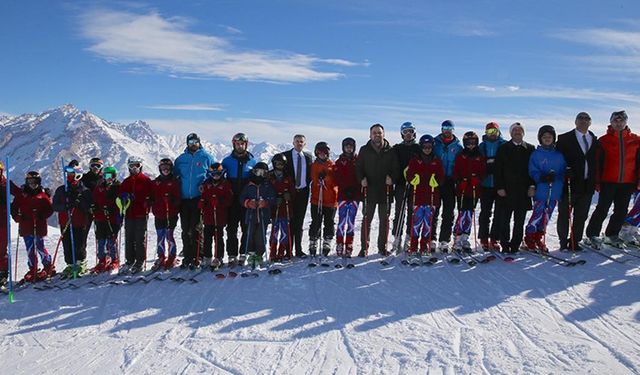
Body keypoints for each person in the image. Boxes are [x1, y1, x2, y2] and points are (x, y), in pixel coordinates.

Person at [585, 110, 640, 248]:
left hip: (628, 181)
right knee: (602, 208)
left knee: (621, 210)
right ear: (611, 122)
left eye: (621, 120)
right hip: (608, 180)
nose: (618, 122)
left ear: (626, 121)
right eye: (615, 120)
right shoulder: (603, 141)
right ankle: (593, 234)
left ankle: (612, 234)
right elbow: (597, 163)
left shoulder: (636, 140)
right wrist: (597, 181)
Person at [555, 112, 600, 251]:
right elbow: (557, 159)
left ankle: (575, 241)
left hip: (587, 185)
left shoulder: (594, 140)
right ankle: (563, 242)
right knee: (564, 215)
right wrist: (564, 170)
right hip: (569, 184)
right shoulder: (564, 139)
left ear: (590, 122)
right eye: (580, 118)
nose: (583, 121)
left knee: (581, 216)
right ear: (575, 121)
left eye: (587, 119)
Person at [356, 124, 400, 256]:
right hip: (369, 190)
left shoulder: (390, 150)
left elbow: (396, 169)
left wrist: (392, 178)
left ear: (384, 134)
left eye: (379, 133)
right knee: (366, 220)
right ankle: (364, 248)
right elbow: (358, 168)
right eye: (374, 133)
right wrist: (361, 179)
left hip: (385, 190)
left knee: (384, 221)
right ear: (370, 135)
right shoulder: (364, 150)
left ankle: (382, 247)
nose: (377, 135)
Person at [493, 122, 536, 253]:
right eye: (515, 130)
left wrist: (532, 186)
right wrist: (499, 187)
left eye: (520, 130)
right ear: (511, 133)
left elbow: (533, 170)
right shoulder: (503, 148)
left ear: (523, 132)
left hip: (523, 191)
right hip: (506, 190)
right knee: (504, 221)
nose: (517, 132)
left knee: (519, 221)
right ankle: (505, 245)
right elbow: (497, 170)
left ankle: (515, 245)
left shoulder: (530, 148)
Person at [174, 133, 215, 266]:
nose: (193, 144)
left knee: (197, 228)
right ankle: (188, 256)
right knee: (185, 229)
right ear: (187, 143)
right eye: (190, 141)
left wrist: (206, 186)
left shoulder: (206, 157)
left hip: (199, 198)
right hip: (184, 198)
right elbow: (175, 176)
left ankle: (198, 255)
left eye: (195, 141)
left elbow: (214, 175)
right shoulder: (181, 159)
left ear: (199, 142)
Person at [523, 126, 566, 252]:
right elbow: (532, 170)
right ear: (540, 139)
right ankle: (530, 237)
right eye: (544, 137)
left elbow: (563, 170)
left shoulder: (559, 155)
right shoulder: (536, 154)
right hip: (542, 190)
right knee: (537, 214)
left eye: (550, 137)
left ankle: (538, 237)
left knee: (546, 216)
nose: (547, 139)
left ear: (553, 139)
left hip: (555, 190)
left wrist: (566, 174)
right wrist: (542, 177)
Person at [405, 134, 445, 257]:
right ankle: (413, 245)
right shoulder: (415, 160)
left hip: (431, 196)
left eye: (429, 146)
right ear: (421, 147)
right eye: (424, 146)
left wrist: (437, 181)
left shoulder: (436, 160)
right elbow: (409, 174)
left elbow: (441, 176)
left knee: (428, 223)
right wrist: (413, 179)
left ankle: (424, 245)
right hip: (418, 196)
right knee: (416, 222)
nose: (427, 149)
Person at [10, 171, 54, 281]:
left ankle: (48, 265)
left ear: (38, 182)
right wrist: (17, 217)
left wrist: (41, 215)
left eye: (35, 181)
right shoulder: (22, 194)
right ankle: (33, 268)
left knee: (40, 246)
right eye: (30, 181)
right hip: (26, 226)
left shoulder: (43, 195)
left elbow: (49, 209)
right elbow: (14, 208)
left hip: (39, 226)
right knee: (30, 248)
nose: (32, 184)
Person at [222, 132, 257, 266]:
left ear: (246, 145)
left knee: (246, 227)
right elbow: (218, 178)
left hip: (246, 200)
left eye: (242, 144)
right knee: (231, 228)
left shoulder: (252, 161)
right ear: (234, 144)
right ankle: (232, 255)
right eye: (237, 144)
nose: (240, 146)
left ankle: (243, 253)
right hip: (231, 200)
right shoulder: (227, 161)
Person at [52, 164, 92, 277]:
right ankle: (70, 264)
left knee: (79, 244)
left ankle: (81, 263)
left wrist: (80, 204)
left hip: (79, 222)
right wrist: (66, 206)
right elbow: (54, 206)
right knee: (67, 244)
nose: (69, 177)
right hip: (65, 221)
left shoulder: (84, 190)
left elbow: (89, 207)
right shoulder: (62, 189)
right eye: (68, 174)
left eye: (72, 174)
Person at [452, 131, 486, 252]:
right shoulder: (461, 155)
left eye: (473, 143)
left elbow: (483, 171)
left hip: (474, 189)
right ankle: (457, 236)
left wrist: (478, 179)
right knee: (462, 212)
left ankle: (465, 236)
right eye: (468, 143)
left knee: (470, 213)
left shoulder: (479, 156)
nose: (470, 145)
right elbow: (455, 170)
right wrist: (460, 180)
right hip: (463, 188)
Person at [118, 157, 153, 274]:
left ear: (140, 166)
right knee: (129, 238)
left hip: (141, 213)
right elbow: (120, 197)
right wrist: (123, 198)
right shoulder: (126, 182)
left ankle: (140, 261)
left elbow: (150, 197)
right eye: (132, 166)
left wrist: (143, 201)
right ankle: (129, 260)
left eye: (136, 165)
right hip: (129, 213)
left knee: (139, 238)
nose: (134, 168)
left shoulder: (146, 180)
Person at [433, 120, 463, 252]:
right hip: (435, 181)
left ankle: (444, 240)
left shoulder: (458, 146)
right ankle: (431, 239)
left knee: (448, 211)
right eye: (444, 127)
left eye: (449, 128)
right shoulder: (434, 143)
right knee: (434, 210)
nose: (447, 130)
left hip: (450, 181)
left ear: (453, 130)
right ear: (441, 129)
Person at [281, 134, 313, 258]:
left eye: (301, 142)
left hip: (303, 193)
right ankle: (288, 250)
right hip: (289, 193)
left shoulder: (308, 157)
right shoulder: (286, 156)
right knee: (289, 221)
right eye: (297, 141)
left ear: (304, 144)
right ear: (293, 143)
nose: (299, 144)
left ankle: (298, 249)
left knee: (299, 222)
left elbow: (310, 175)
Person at [391, 122, 421, 251]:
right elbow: (392, 164)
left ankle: (409, 238)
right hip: (401, 184)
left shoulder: (418, 148)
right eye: (405, 132)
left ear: (414, 133)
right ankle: (397, 238)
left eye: (410, 131)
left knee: (412, 212)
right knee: (399, 212)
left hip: (415, 184)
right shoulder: (397, 148)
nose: (408, 134)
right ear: (402, 134)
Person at [478, 122, 506, 251]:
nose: (492, 134)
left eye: (494, 131)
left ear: (498, 132)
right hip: (485, 184)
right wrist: (484, 169)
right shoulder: (482, 146)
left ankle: (495, 238)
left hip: (499, 184)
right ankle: (483, 238)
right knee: (485, 212)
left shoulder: (504, 145)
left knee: (499, 213)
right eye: (489, 132)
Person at [199, 163, 233, 269]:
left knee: (218, 237)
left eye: (218, 174)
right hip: (208, 215)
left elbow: (229, 199)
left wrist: (219, 201)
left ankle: (219, 257)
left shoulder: (226, 184)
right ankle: (207, 257)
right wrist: (202, 202)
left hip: (220, 215)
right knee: (207, 237)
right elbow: (204, 196)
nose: (215, 176)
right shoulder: (207, 184)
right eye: (213, 174)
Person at [239, 162, 275, 266]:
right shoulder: (249, 185)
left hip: (263, 216)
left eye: (263, 173)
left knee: (260, 237)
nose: (259, 175)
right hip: (251, 216)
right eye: (257, 172)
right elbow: (242, 198)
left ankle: (259, 255)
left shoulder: (267, 185)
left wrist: (265, 202)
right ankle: (251, 254)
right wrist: (248, 203)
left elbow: (272, 197)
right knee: (250, 235)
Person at [150, 158, 181, 269]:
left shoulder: (174, 181)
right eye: (163, 167)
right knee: (160, 236)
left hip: (170, 213)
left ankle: (172, 256)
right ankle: (161, 256)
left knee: (169, 235)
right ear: (160, 169)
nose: (165, 170)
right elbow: (152, 197)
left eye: (167, 167)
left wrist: (172, 201)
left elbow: (178, 198)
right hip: (159, 213)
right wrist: (150, 202)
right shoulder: (155, 182)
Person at [308, 142, 338, 257]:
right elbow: (313, 178)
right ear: (316, 153)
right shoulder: (314, 165)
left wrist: (328, 178)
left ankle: (327, 240)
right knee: (316, 221)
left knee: (329, 222)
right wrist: (319, 179)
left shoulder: (332, 165)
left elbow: (335, 181)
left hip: (331, 199)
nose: (322, 154)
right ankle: (313, 240)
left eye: (325, 152)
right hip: (317, 199)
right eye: (320, 152)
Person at [91, 166, 121, 273]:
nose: (108, 178)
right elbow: (94, 199)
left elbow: (120, 202)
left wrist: (113, 209)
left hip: (112, 218)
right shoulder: (99, 187)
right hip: (100, 217)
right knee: (100, 239)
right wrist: (94, 207)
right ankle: (102, 260)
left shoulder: (117, 187)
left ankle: (114, 259)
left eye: (110, 175)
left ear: (114, 176)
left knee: (111, 239)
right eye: (106, 175)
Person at [334, 137, 360, 257]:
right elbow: (337, 177)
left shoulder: (358, 160)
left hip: (355, 195)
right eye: (346, 146)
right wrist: (345, 187)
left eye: (351, 146)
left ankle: (349, 243)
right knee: (342, 220)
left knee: (351, 221)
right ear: (343, 148)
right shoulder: (340, 161)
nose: (349, 148)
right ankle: (339, 243)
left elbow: (360, 175)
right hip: (343, 195)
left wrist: (355, 187)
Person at [268, 154, 296, 261]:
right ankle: (273, 252)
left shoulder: (287, 177)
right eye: (277, 164)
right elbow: (266, 190)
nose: (279, 166)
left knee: (285, 231)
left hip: (285, 208)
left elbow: (293, 192)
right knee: (274, 231)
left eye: (281, 164)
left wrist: (289, 195)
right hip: (275, 209)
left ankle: (282, 251)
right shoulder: (270, 176)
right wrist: (274, 198)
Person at [0, 162, 8, 283]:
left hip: (2, 222)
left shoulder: (5, 184)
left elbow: (19, 193)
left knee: (1, 249)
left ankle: (3, 274)